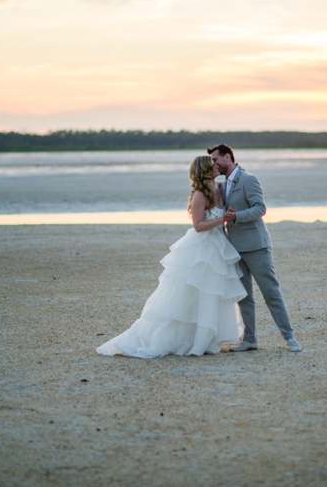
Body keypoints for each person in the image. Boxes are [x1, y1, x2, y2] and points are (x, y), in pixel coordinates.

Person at [96, 155, 246, 358]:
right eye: (212, 165)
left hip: (219, 246)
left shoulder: (219, 189)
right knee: (192, 293)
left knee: (212, 293)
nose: (217, 166)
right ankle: (183, 340)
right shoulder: (200, 195)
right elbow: (198, 226)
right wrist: (222, 218)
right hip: (202, 248)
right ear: (204, 170)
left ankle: (206, 339)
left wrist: (226, 215)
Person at [207, 143, 302, 353]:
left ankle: (290, 337)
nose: (213, 164)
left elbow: (260, 208)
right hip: (234, 248)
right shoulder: (222, 186)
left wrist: (237, 217)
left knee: (271, 293)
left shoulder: (248, 179)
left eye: (215, 160)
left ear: (228, 157)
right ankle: (250, 340)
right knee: (244, 296)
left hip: (256, 246)